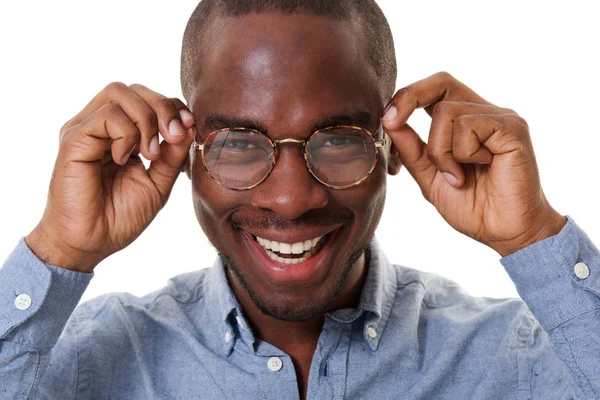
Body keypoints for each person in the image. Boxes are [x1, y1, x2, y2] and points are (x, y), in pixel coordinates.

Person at [1, 0, 598, 399]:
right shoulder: (80, 360)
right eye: (239, 142)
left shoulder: (518, 358)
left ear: (392, 147)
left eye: (338, 140)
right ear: (185, 153)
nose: (290, 200)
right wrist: (60, 249)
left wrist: (533, 238)